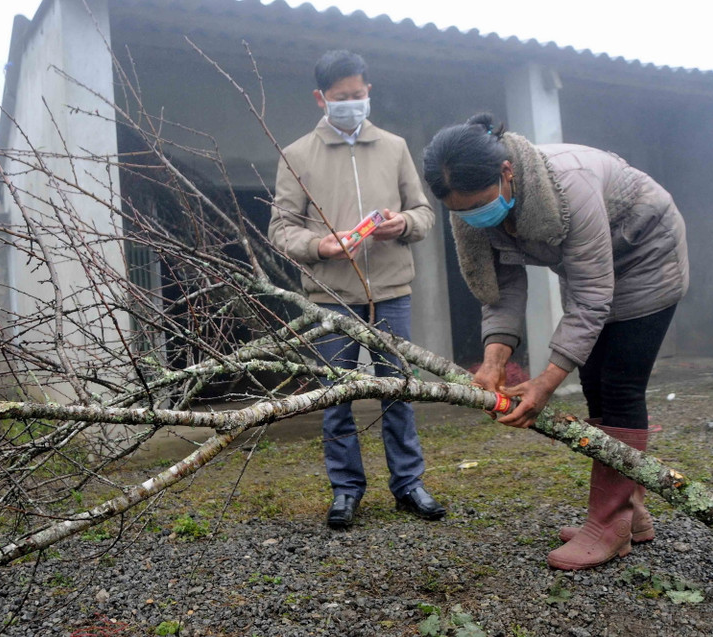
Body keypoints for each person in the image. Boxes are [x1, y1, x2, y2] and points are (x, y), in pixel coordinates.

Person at [422, 113, 689, 570]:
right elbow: (499, 287)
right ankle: (631, 515)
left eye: (481, 204)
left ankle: (608, 525)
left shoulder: (569, 185)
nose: (474, 217)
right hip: (593, 273)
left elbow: (590, 298)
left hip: (646, 257)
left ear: (507, 173)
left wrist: (547, 380)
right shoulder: (471, 211)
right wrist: (493, 362)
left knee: (619, 385)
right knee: (594, 384)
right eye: (462, 211)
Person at [268, 50, 443, 529]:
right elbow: (280, 228)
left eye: (358, 95)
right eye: (340, 97)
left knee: (399, 391)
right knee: (335, 397)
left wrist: (403, 222)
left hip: (391, 289)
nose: (351, 103)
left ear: (369, 91)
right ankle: (346, 490)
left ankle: (408, 484)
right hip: (331, 296)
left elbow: (425, 213)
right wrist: (319, 245)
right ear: (320, 98)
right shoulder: (296, 154)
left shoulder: (395, 146)